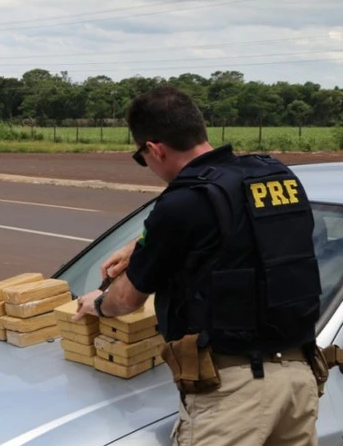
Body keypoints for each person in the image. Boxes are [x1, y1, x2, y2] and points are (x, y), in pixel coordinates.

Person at [72, 85, 324, 446]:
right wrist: (140, 244)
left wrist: (97, 302)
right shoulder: (274, 176)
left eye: (142, 157)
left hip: (233, 396)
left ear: (154, 149)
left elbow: (127, 301)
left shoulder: (182, 203)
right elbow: (241, 238)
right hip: (300, 381)